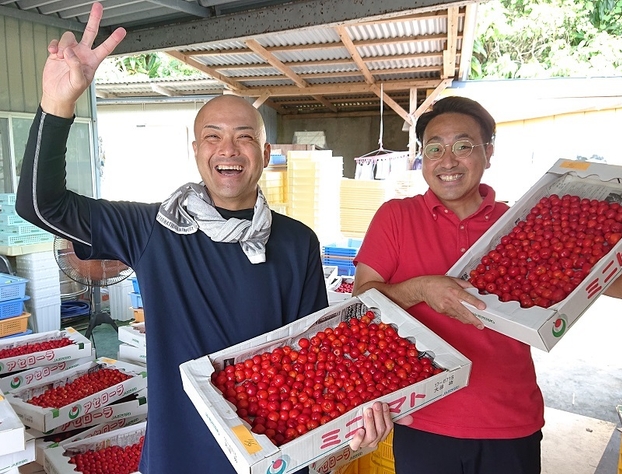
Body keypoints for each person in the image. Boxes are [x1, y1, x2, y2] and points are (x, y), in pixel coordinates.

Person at [15, 3, 392, 473]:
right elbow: (39, 204)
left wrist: (347, 429)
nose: (228, 149)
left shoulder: (296, 243)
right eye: (212, 136)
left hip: (268, 455)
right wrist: (58, 104)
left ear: (265, 153)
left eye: (244, 137)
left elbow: (313, 359)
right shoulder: (152, 229)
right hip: (179, 454)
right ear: (196, 152)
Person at [352, 95, 622, 474]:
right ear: (423, 158)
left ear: (488, 152)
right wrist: (421, 289)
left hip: (510, 423)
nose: (448, 161)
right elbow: (362, 299)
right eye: (435, 148)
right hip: (425, 419)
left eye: (463, 146)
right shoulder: (396, 217)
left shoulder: (519, 221)